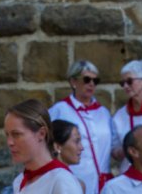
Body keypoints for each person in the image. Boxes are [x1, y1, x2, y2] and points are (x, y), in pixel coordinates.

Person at [49, 61, 116, 193]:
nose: (91, 84)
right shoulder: (59, 110)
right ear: (73, 81)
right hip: (76, 180)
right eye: (86, 79)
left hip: (104, 183)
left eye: (95, 81)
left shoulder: (104, 113)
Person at [5, 99, 82, 194]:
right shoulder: (19, 181)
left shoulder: (62, 181)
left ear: (41, 134)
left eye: (16, 134)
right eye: (7, 135)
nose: (9, 142)